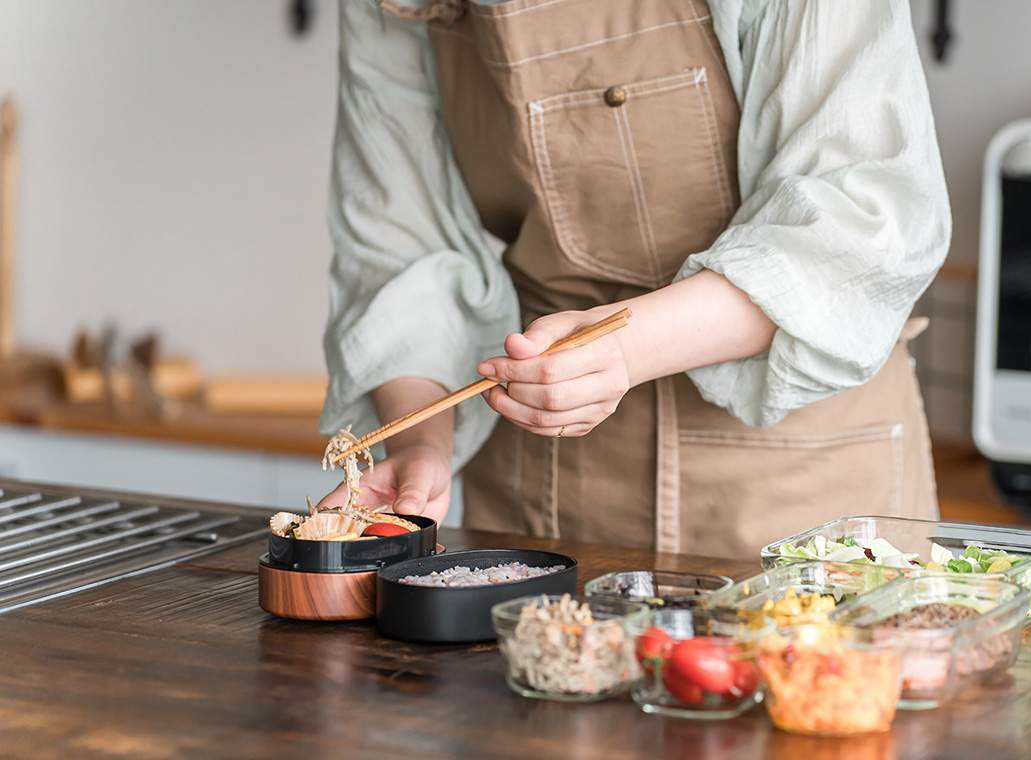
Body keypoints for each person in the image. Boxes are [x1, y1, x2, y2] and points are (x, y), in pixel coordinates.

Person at [316, 0, 951, 560]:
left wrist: (625, 346)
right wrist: (422, 445)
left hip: (797, 481)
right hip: (547, 486)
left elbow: (860, 223)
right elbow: (399, 246)